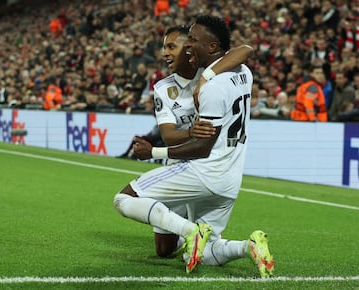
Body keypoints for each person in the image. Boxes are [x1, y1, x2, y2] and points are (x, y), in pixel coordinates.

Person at [113, 15, 274, 278]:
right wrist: (206, 77)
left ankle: (190, 232)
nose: (188, 45)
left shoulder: (211, 86)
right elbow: (243, 52)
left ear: (209, 48)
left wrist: (153, 152)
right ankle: (249, 246)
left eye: (192, 41)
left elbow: (201, 147)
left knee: (123, 199)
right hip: (229, 180)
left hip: (200, 170)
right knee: (201, 253)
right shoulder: (242, 72)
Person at [151, 25, 254, 257]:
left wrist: (205, 78)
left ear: (190, 48)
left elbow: (245, 49)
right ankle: (231, 245)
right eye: (163, 47)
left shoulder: (210, 70)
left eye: (171, 46)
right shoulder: (163, 88)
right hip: (182, 160)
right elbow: (168, 135)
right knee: (164, 250)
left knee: (128, 198)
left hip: (200, 164)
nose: (165, 53)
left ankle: (192, 233)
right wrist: (191, 131)